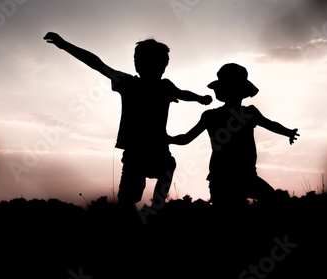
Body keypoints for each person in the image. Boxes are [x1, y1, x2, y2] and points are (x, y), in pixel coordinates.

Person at [43, 32, 212, 212]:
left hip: (150, 149)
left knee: (156, 175)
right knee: (134, 192)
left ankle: (154, 208)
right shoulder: (136, 84)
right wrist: (65, 45)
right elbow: (96, 63)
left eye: (161, 63)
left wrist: (200, 98)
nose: (158, 67)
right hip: (141, 150)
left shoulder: (156, 86)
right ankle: (152, 208)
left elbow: (183, 94)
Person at [169, 63, 299, 208]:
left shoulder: (215, 115)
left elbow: (186, 138)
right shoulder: (243, 113)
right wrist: (288, 132)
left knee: (234, 216)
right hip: (232, 177)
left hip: (229, 177)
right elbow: (271, 124)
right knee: (268, 203)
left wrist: (166, 139)